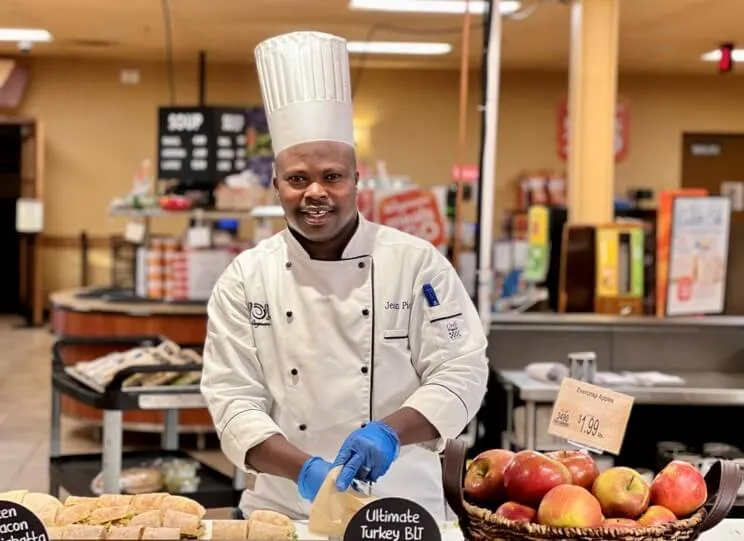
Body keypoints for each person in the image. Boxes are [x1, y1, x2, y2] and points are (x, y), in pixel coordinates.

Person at [200, 30, 489, 522]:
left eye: (332, 176)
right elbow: (231, 399)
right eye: (298, 179)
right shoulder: (246, 278)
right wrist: (307, 470)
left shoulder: (416, 264)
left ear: (357, 180)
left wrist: (390, 432)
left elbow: (462, 370)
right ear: (276, 186)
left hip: (402, 506)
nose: (315, 192)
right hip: (284, 508)